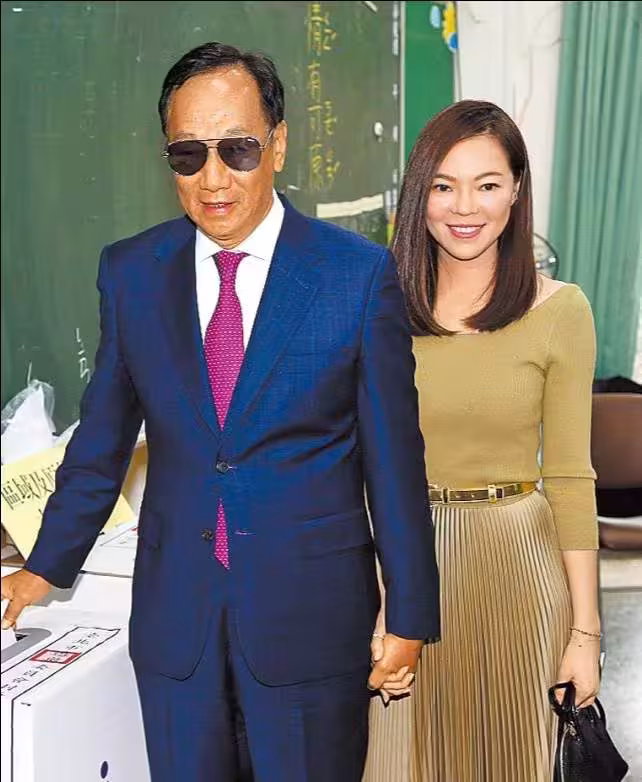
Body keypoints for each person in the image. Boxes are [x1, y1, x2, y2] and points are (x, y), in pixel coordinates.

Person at [0, 42, 440, 782]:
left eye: (237, 149)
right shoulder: (132, 272)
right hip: (178, 626)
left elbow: (395, 465)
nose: (213, 178)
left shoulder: (356, 276)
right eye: (187, 154)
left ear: (278, 144)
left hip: (312, 623)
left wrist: (409, 614)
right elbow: (102, 441)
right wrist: (42, 568)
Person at [363, 100, 601, 782]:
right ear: (420, 194)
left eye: (487, 183)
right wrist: (378, 604)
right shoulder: (376, 305)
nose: (464, 207)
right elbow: (360, 468)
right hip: (404, 564)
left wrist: (586, 635)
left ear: (516, 189)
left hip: (519, 568)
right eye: (444, 185)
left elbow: (570, 477)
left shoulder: (561, 311)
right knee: (398, 762)